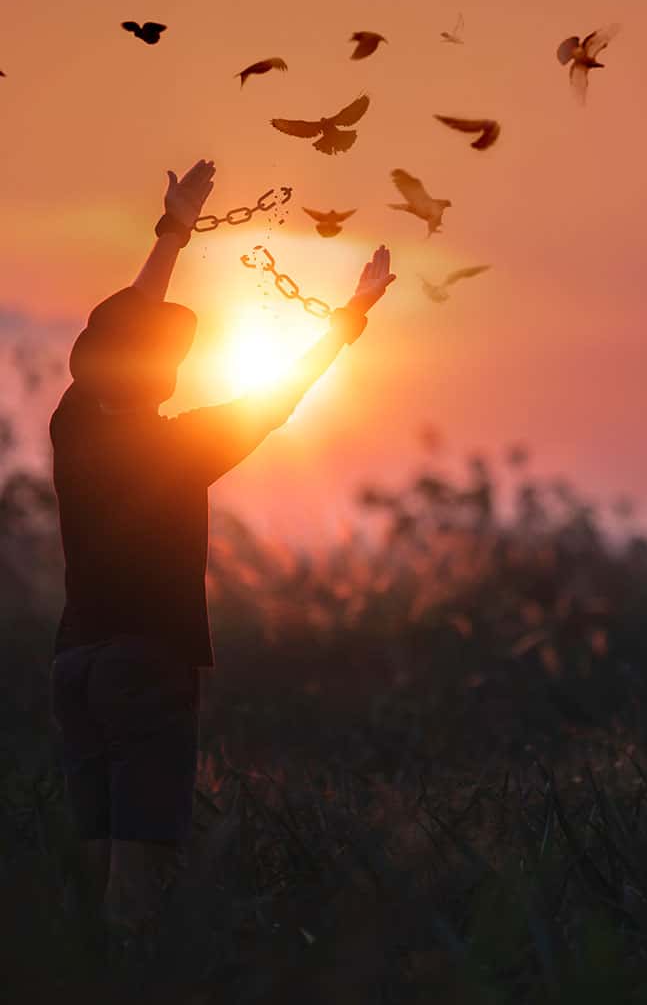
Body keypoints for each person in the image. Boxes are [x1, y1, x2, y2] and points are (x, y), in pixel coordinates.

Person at [48, 158, 396, 951]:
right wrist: (351, 317)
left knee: (95, 868)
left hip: (74, 662)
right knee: (139, 887)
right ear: (160, 372)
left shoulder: (71, 425)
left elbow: (128, 321)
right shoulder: (181, 446)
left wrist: (173, 229)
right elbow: (280, 397)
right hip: (145, 665)